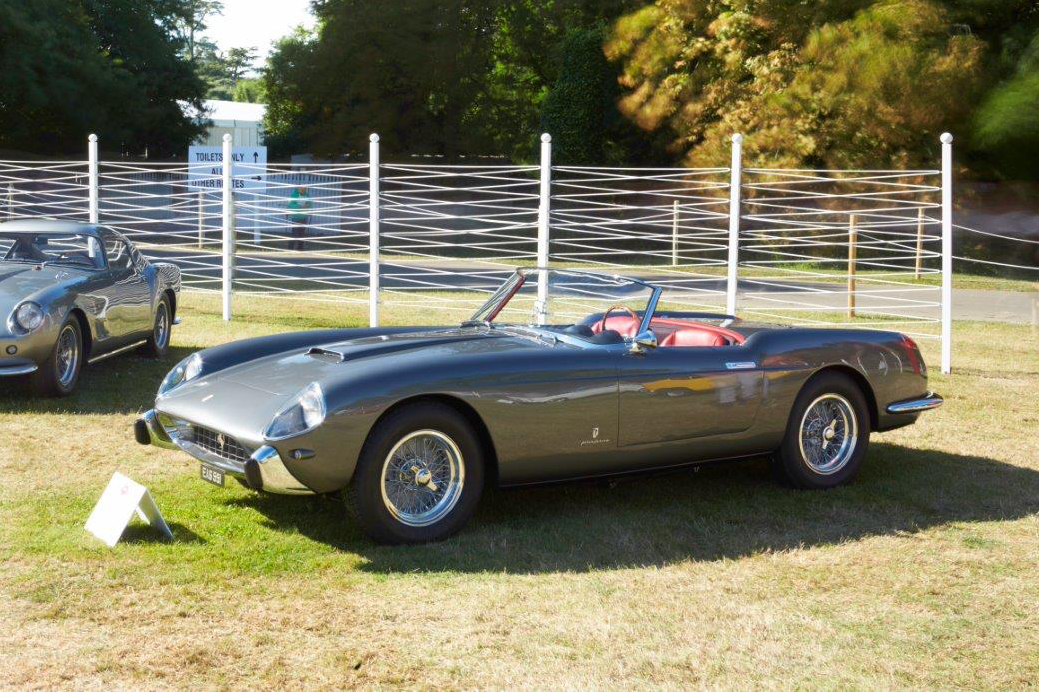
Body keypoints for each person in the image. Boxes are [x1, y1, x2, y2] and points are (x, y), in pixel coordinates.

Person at [287, 185, 312, 250]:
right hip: (296, 217)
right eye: (301, 189)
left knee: (302, 234)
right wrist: (299, 206)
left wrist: (307, 205)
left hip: (304, 217)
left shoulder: (307, 195)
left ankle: (300, 248)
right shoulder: (293, 195)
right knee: (295, 233)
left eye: (304, 189)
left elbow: (311, 203)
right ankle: (290, 248)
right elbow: (290, 204)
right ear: (298, 188)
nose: (303, 190)